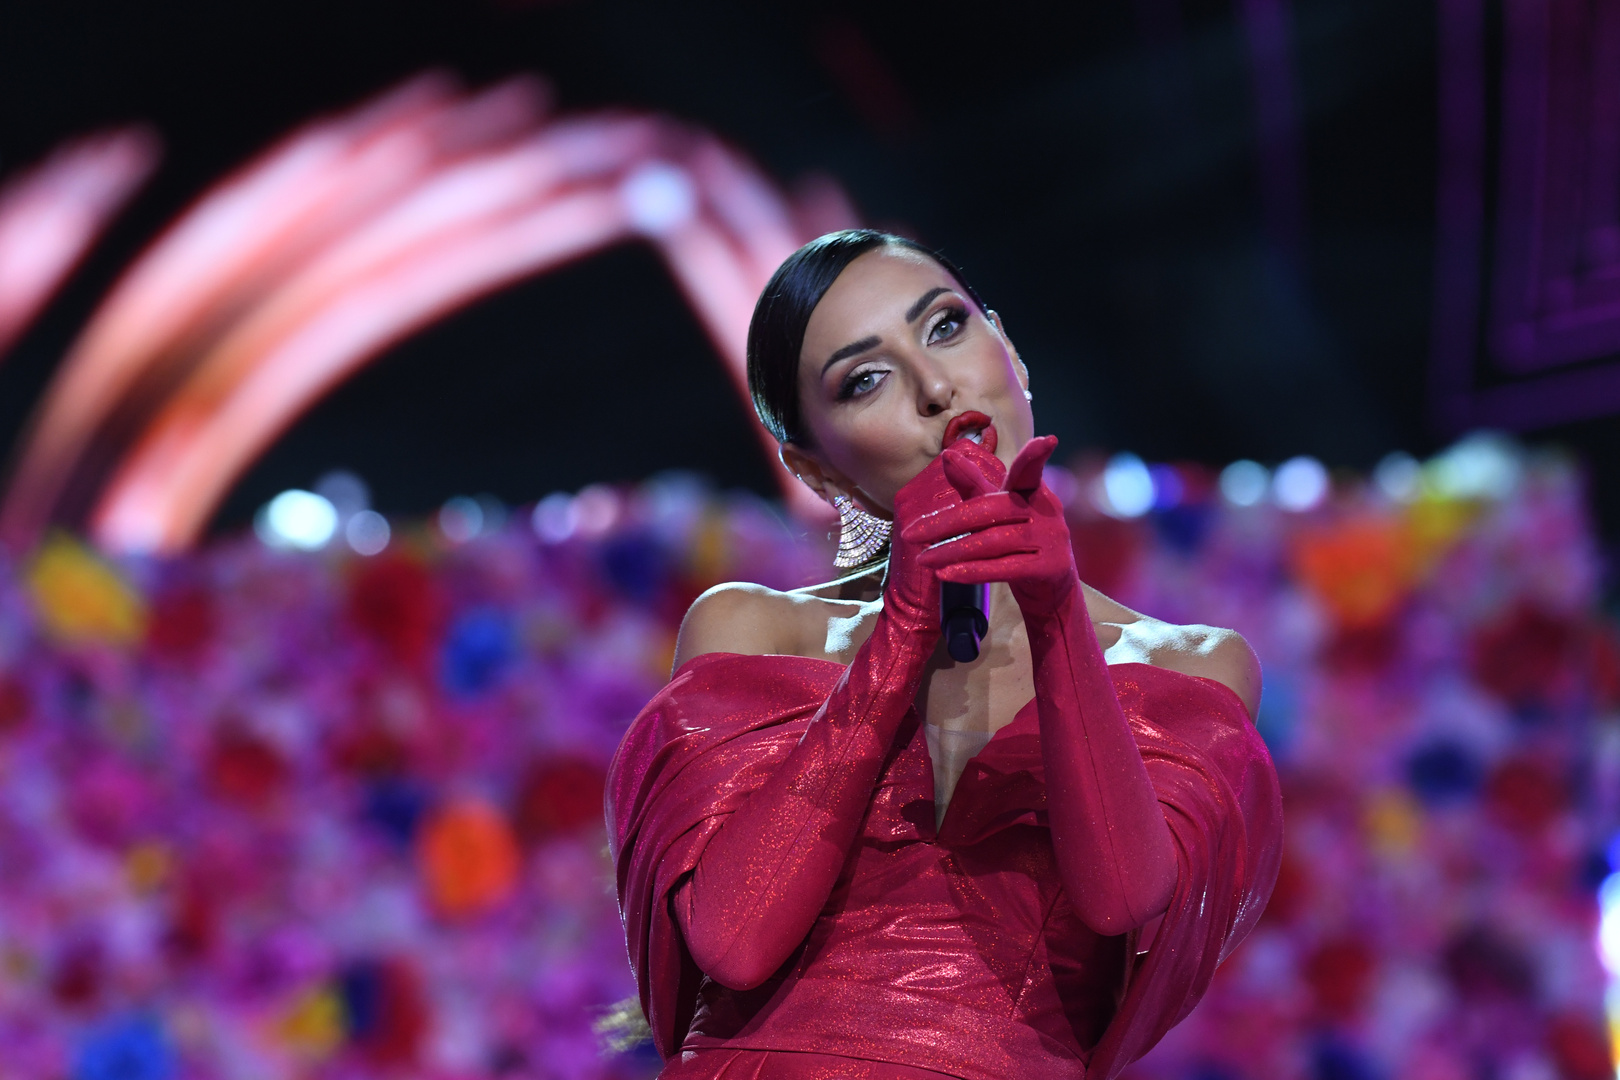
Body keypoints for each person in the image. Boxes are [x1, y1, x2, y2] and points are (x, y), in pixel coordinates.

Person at [607, 229, 1282, 1079]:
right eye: (865, 379)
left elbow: (1122, 899)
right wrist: (899, 637)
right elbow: (734, 942)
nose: (935, 388)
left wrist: (1057, 619)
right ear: (820, 474)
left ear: (1012, 352)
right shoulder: (752, 632)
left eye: (945, 326)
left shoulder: (1189, 666)